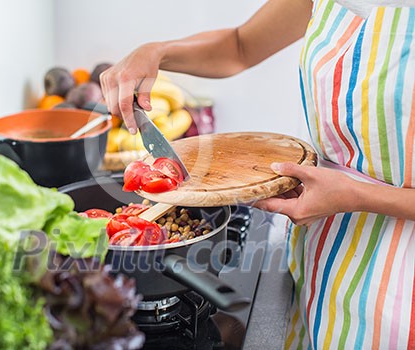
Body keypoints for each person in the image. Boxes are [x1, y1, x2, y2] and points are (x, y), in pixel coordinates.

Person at [99, 0, 415, 348]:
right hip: (324, 252)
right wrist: (157, 52)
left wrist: (356, 194)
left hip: (399, 286)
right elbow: (240, 46)